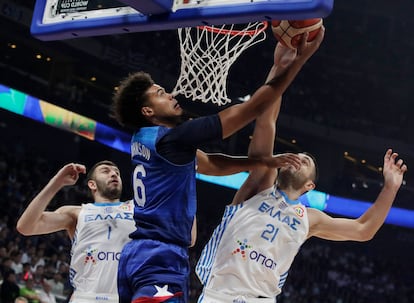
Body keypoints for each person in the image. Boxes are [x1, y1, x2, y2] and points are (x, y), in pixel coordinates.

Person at [112, 26, 325, 303]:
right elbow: (253, 108)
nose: (172, 95)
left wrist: (260, 161)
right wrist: (297, 62)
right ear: (148, 111)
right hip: (160, 256)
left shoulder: (143, 139)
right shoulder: (175, 137)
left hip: (137, 253)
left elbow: (210, 164)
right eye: (161, 93)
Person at [195, 48, 408, 302]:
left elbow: (363, 229)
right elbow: (266, 123)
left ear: (310, 185)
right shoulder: (260, 185)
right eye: (298, 155)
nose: (300, 157)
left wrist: (390, 188)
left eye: (307, 160)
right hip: (219, 294)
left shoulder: (310, 219)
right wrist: (280, 70)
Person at [16, 161, 136, 303]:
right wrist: (57, 182)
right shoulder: (76, 213)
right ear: (92, 185)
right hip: (85, 297)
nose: (113, 174)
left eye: (117, 172)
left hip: (126, 297)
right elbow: (26, 227)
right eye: (106, 171)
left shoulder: (136, 209)